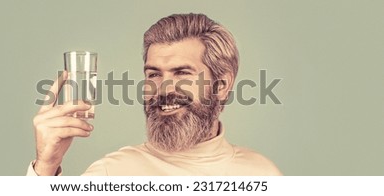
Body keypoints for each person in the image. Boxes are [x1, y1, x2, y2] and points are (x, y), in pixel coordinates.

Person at [27, 13, 282, 176]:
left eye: (182, 73)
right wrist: (45, 168)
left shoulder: (262, 174)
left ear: (221, 85)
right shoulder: (112, 174)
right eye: (153, 74)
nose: (163, 89)